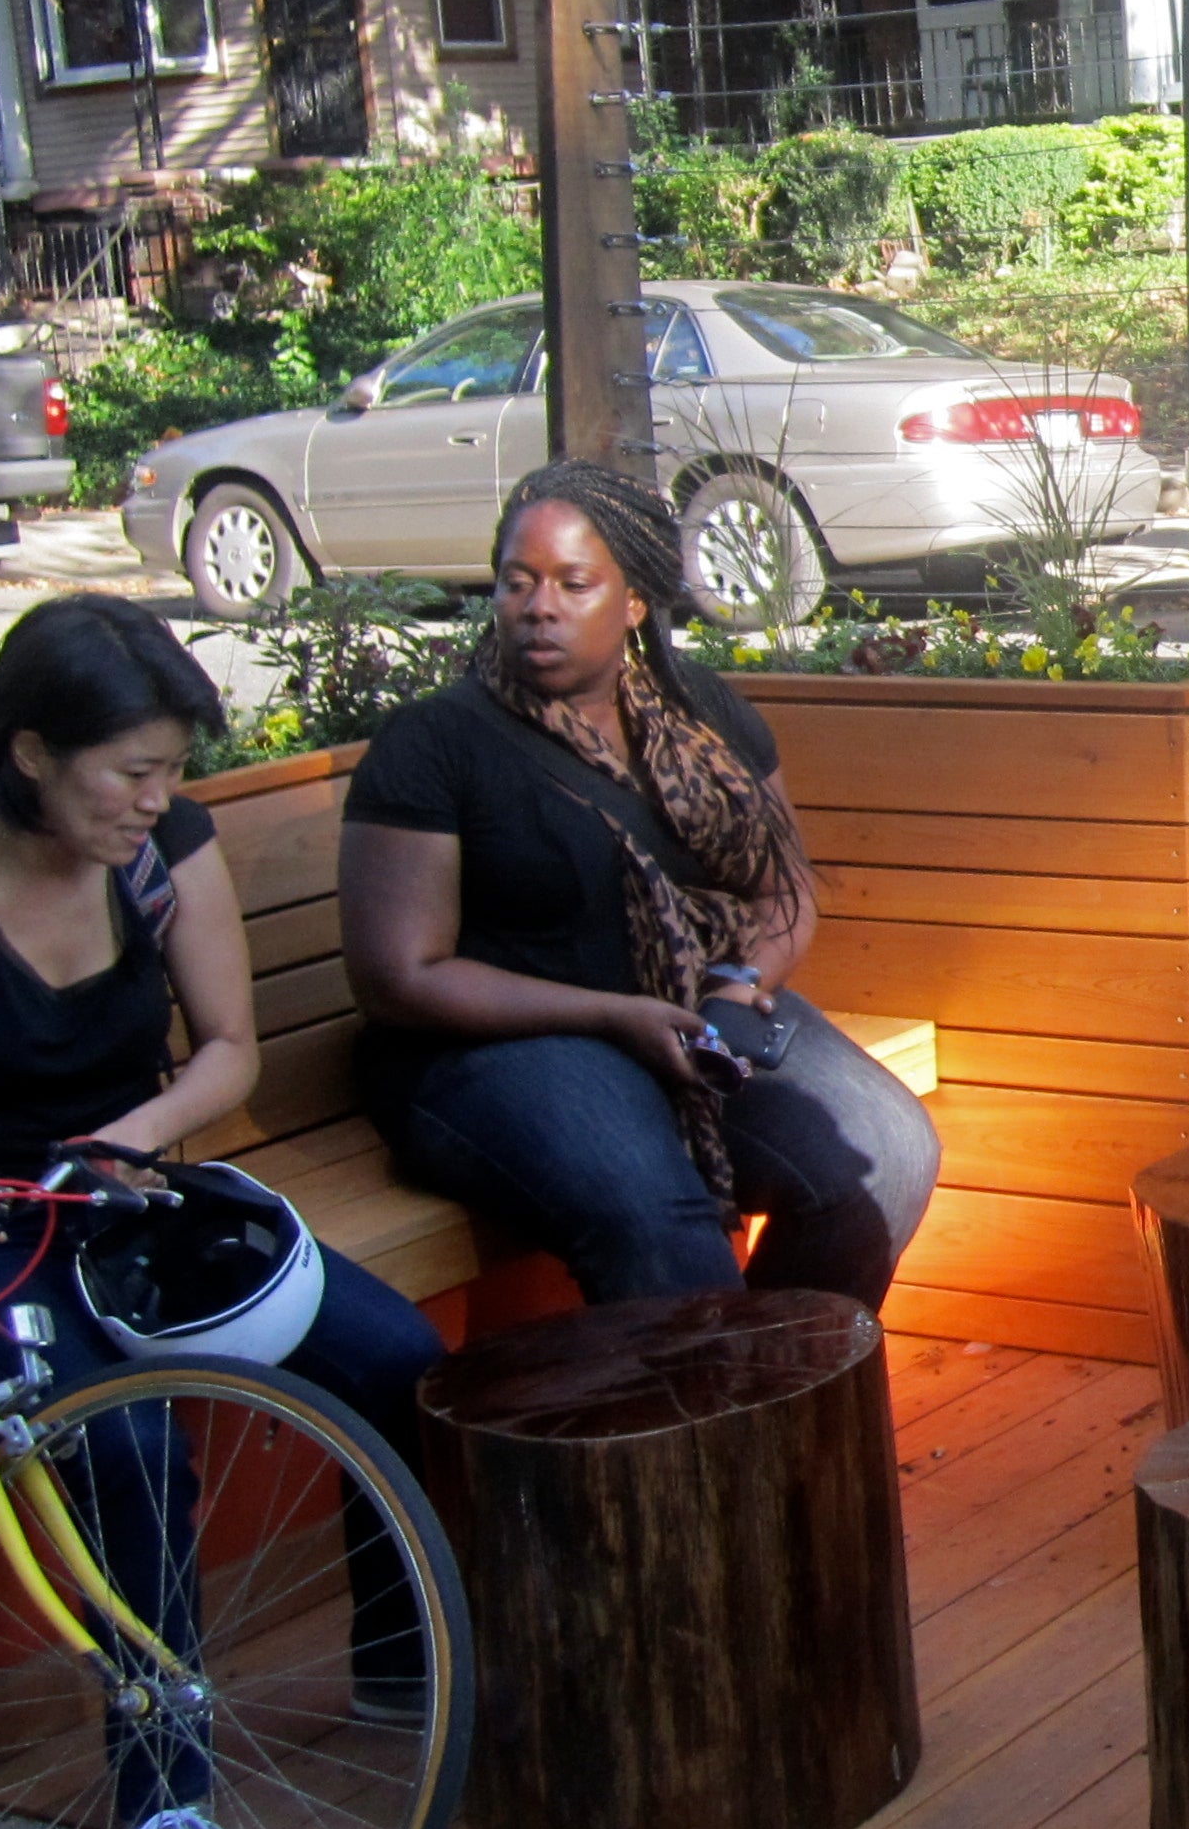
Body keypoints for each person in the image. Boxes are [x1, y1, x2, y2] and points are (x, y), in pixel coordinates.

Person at [0, 591, 450, 1829]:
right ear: (30, 752)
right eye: (134, 771)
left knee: (396, 1353)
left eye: (172, 771)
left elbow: (228, 1056)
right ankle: (163, 1790)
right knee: (128, 1441)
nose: (159, 798)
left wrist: (127, 1138)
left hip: (115, 1197)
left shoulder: (162, 851)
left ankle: (404, 1655)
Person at [342, 461, 939, 1311]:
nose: (538, 606)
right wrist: (613, 1015)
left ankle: (774, 1388)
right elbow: (400, 978)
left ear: (632, 602)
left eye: (573, 584)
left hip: (690, 1014)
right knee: (662, 1222)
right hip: (495, 1053)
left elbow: (785, 891)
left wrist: (740, 984)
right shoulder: (436, 743)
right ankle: (711, 1424)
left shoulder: (699, 712)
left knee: (885, 1153)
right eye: (518, 582)